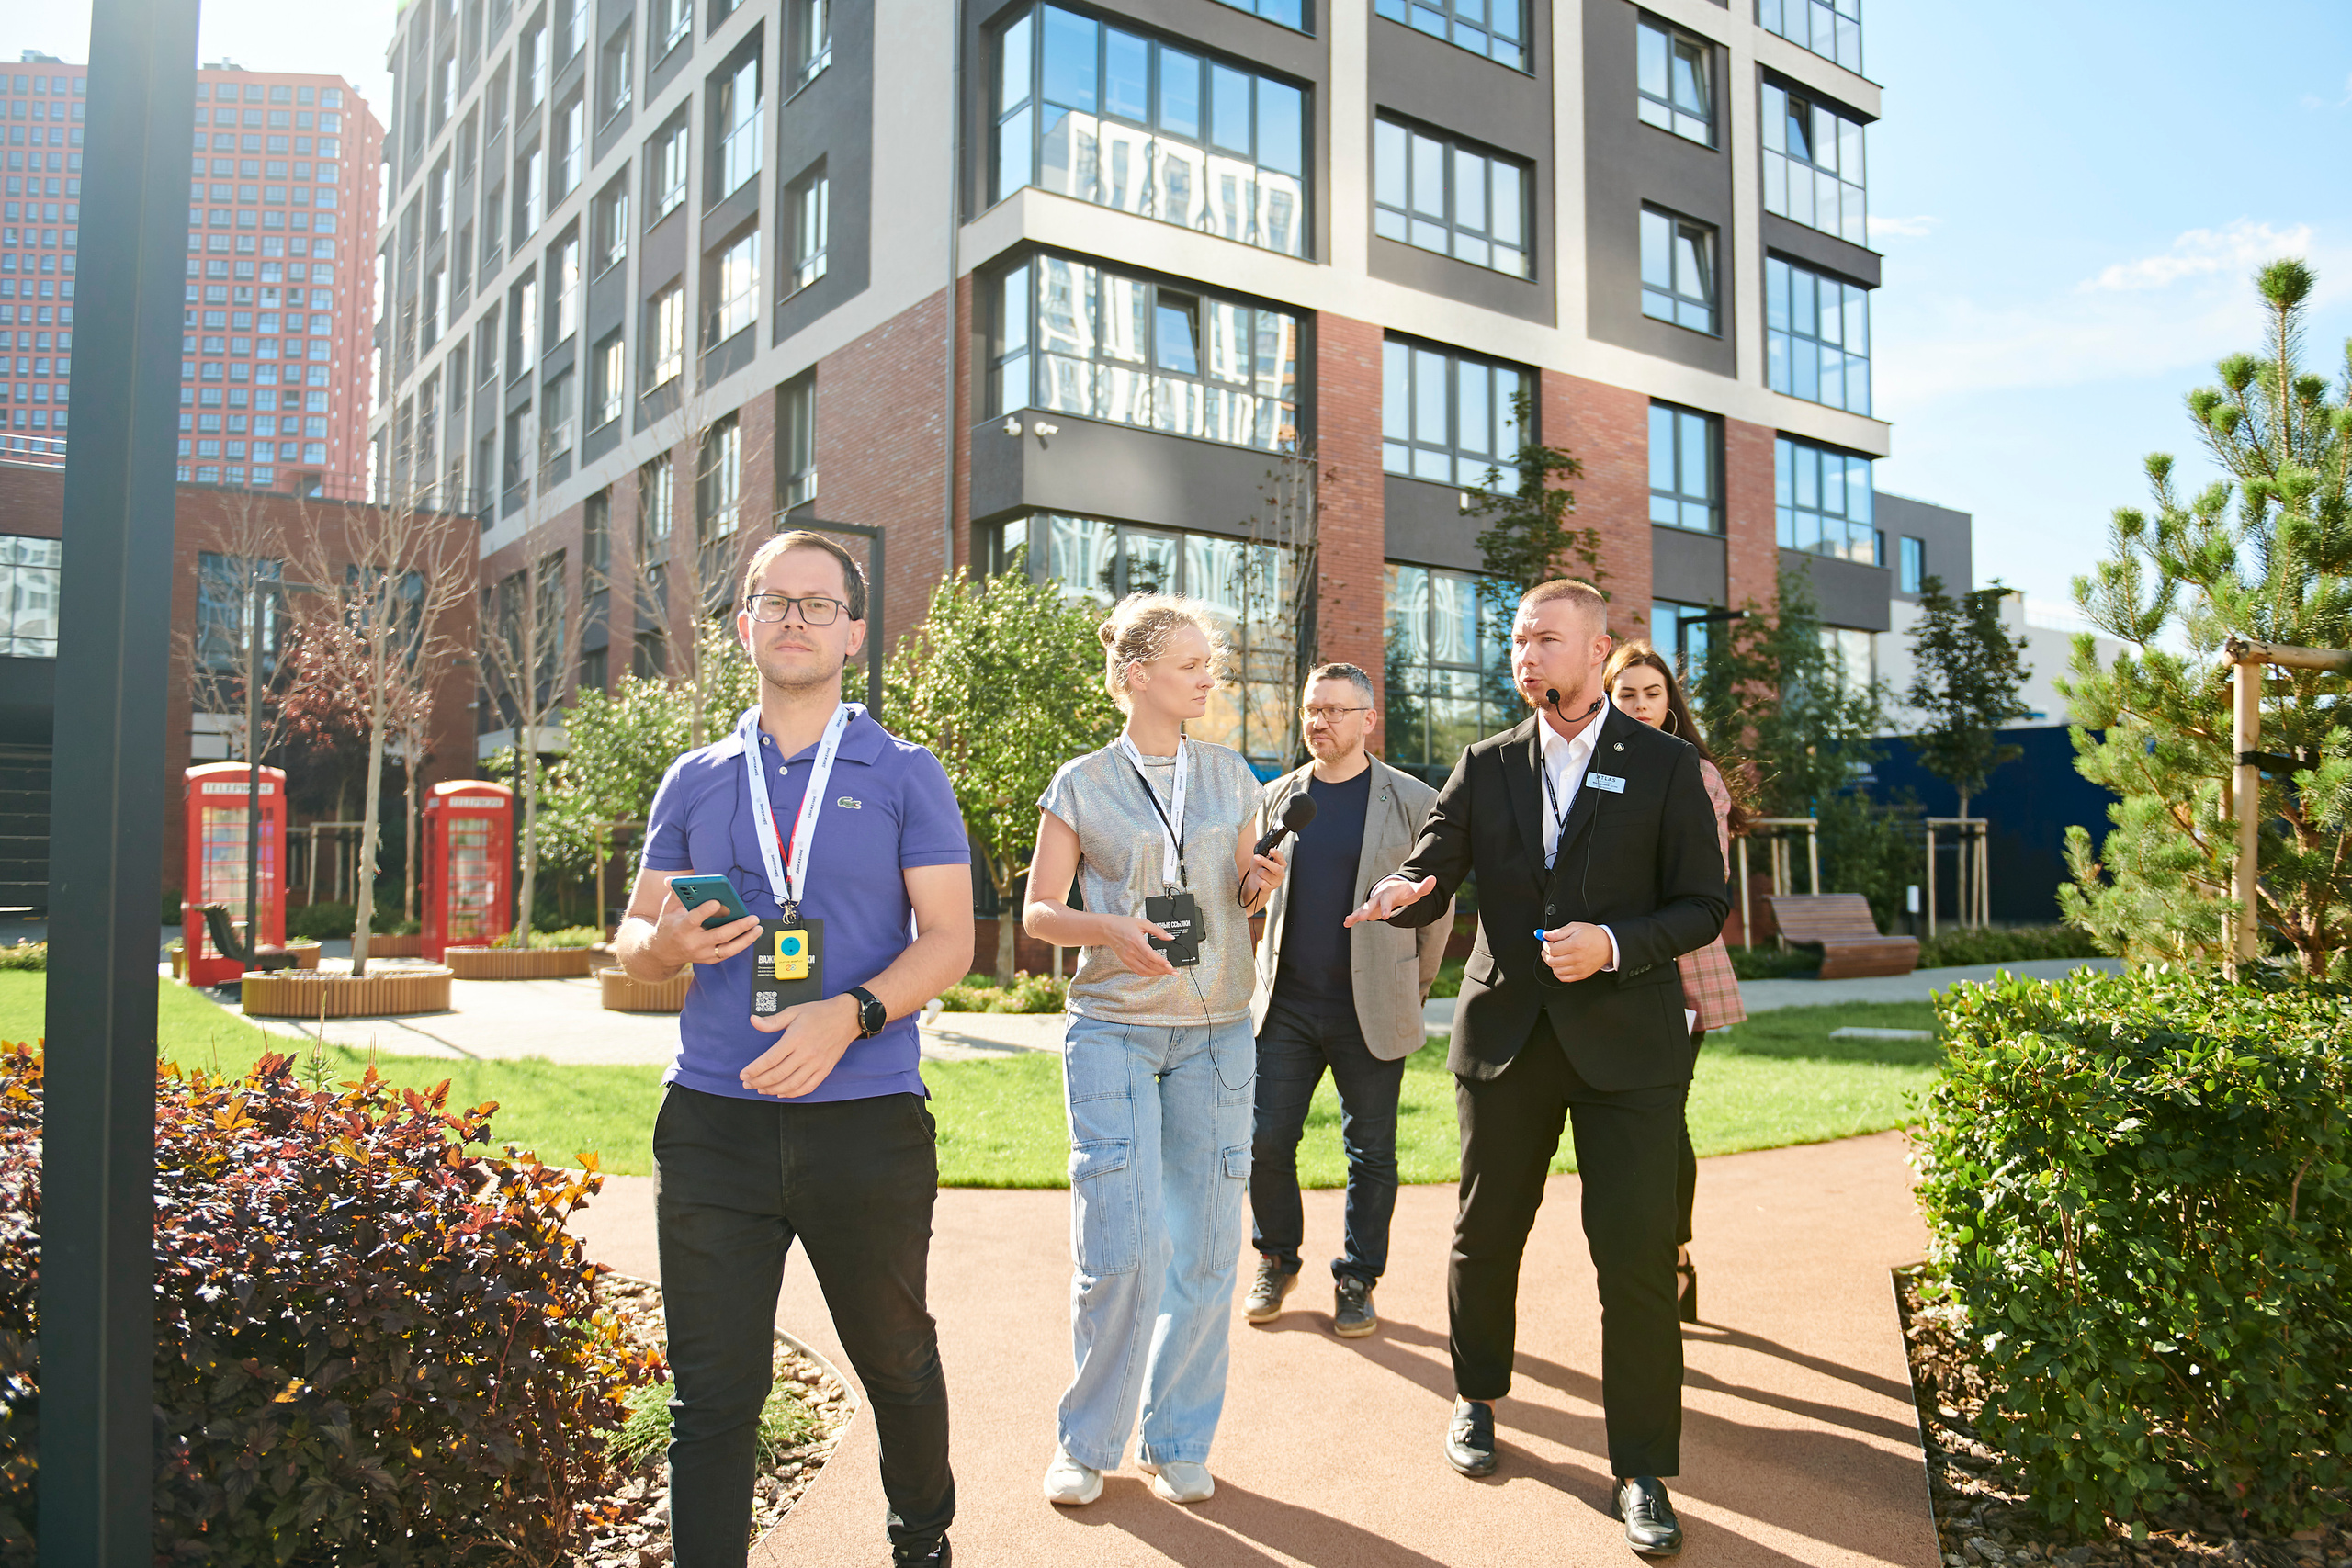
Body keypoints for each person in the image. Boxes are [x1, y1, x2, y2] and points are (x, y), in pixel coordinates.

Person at [1345, 579, 1727, 1558]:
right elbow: (1436, 864)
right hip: (1506, 1039)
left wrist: (1613, 944)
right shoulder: (1487, 762)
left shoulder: (1667, 765)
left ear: (1596, 650)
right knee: (1485, 1235)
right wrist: (1404, 889)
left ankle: (1642, 1469)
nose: (1524, 655)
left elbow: (1700, 906)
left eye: (1544, 639)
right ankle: (1475, 1399)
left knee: (1635, 1259)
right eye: (1515, 641)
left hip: (1628, 1050)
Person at [615, 531, 975, 1568]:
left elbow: (948, 940)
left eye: (819, 604)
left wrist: (848, 1014)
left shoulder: (905, 772)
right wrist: (664, 946)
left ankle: (921, 1540)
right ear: (743, 626)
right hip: (712, 1128)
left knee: (897, 1361)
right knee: (714, 1392)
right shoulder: (694, 778)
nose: (795, 619)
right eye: (775, 601)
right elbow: (633, 943)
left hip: (865, 1120)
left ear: (854, 633)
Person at [1022, 593, 1289, 1509]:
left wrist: (1255, 886)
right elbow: (1038, 913)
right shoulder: (1081, 782)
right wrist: (1111, 926)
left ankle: (1175, 1438)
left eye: (1207, 665)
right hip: (1114, 1032)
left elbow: (1240, 898)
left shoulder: (1232, 777)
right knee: (1120, 1245)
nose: (1206, 679)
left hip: (1217, 1035)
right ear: (1137, 676)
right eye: (1189, 665)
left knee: (1209, 1253)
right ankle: (1085, 1445)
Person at [1242, 661, 1451, 1339]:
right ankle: (1278, 1256)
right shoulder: (1278, 798)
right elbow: (1249, 898)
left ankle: (1358, 1275)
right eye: (1311, 709)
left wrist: (1409, 990)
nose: (1319, 722)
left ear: (1369, 718)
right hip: (1288, 1008)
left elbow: (1436, 910)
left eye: (1335, 709)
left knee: (1372, 1151)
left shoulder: (1415, 801)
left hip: (1372, 1007)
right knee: (1265, 1140)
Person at [1604, 639, 1750, 1325]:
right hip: (1591, 966)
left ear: (1670, 704)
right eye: (1624, 693)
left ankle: (1675, 1253)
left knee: (1663, 1120)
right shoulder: (1586, 763)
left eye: (1650, 693)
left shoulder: (1696, 773)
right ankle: (1636, 1260)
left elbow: (1699, 885)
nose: (1637, 705)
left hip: (1675, 966)